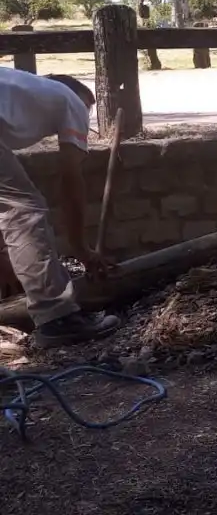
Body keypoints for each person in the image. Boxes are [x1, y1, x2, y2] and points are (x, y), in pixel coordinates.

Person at [0, 68, 119, 348]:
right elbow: (71, 178)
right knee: (25, 210)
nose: (84, 119)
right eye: (87, 112)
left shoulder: (17, 93)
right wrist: (80, 247)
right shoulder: (71, 100)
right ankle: (56, 317)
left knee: (16, 205)